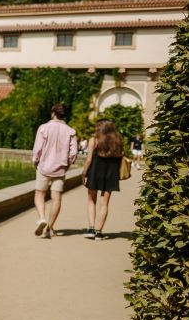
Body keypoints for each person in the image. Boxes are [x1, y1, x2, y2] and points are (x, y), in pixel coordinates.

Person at [31, 103, 78, 239]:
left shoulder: (43, 128)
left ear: (53, 113)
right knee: (56, 199)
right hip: (60, 170)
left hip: (44, 167)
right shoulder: (70, 131)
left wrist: (36, 161)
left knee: (39, 194)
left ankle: (41, 218)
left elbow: (37, 149)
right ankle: (49, 228)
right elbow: (73, 153)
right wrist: (67, 165)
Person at [82, 119, 124, 241]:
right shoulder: (118, 141)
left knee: (91, 200)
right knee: (104, 203)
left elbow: (89, 159)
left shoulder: (94, 140)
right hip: (111, 174)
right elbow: (122, 157)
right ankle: (99, 232)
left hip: (95, 172)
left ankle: (91, 228)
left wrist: (84, 173)